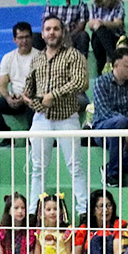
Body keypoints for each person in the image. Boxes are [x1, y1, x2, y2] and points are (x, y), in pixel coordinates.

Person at [23, 15, 89, 216]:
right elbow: (29, 89)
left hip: (67, 117)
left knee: (75, 167)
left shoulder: (73, 55)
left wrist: (54, 95)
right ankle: (33, 212)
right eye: (48, 29)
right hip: (41, 118)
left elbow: (81, 82)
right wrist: (31, 99)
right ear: (42, 34)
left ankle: (84, 211)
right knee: (38, 169)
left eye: (55, 29)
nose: (51, 32)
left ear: (62, 32)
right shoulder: (37, 59)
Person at [90, 43, 128, 181]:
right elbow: (105, 112)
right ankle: (113, 173)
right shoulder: (101, 83)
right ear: (116, 65)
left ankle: (111, 169)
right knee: (120, 121)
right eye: (127, 66)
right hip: (103, 128)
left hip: (127, 130)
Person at [0, 21, 39, 133]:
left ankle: (32, 136)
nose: (24, 41)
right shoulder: (7, 58)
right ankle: (5, 134)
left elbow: (40, 84)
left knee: (34, 104)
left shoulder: (40, 56)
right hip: (14, 98)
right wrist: (8, 98)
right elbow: (2, 86)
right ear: (15, 40)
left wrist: (25, 97)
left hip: (31, 97)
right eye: (20, 38)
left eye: (27, 37)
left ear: (32, 38)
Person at [88, 0, 127, 73]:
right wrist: (99, 25)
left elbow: (118, 23)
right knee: (98, 35)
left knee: (100, 30)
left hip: (115, 37)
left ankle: (105, 65)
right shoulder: (95, 4)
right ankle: (112, 58)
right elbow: (90, 24)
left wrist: (102, 23)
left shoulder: (118, 4)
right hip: (99, 39)